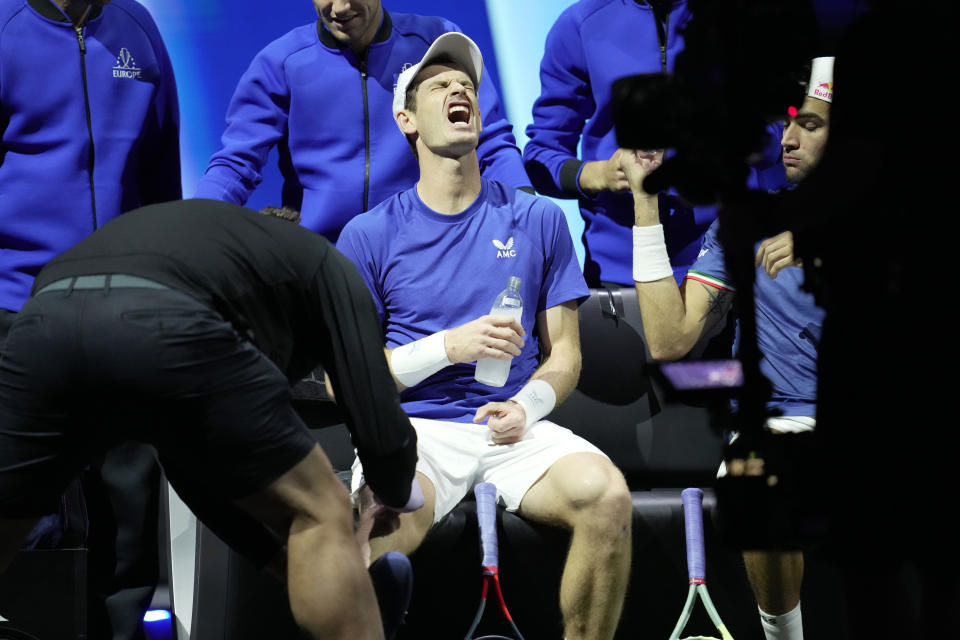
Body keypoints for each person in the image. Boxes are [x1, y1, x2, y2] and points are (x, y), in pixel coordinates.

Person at [0, 198, 423, 640]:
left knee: (7, 514)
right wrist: (390, 496)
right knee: (321, 509)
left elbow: (195, 476)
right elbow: (379, 423)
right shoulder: (325, 265)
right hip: (159, 314)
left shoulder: (212, 257)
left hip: (41, 320)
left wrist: (287, 562)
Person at [335, 32, 633, 640]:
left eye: (466, 85)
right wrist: (449, 347)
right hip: (416, 433)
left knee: (606, 497)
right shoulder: (367, 236)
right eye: (439, 85)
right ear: (406, 119)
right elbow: (353, 381)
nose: (458, 91)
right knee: (375, 525)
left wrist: (527, 407)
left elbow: (565, 355)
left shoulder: (538, 219)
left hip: (514, 432)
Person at [622, 58, 836, 640]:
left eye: (812, 126)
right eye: (789, 122)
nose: (788, 138)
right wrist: (645, 203)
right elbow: (671, 341)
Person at [0, 1, 181, 637]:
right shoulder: (5, 26)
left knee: (129, 502)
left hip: (123, 301)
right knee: (20, 495)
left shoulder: (137, 28)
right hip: (17, 301)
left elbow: (162, 174)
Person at [194, 0, 531, 242]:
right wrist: (190, 229)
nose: (339, 8)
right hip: (321, 262)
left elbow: (491, 145)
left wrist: (530, 218)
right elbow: (236, 164)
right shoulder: (280, 63)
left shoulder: (435, 44)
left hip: (425, 257)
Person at [523, 0, 787, 287]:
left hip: (731, 264)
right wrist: (602, 174)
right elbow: (541, 157)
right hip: (621, 275)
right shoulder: (580, 23)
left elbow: (775, 139)